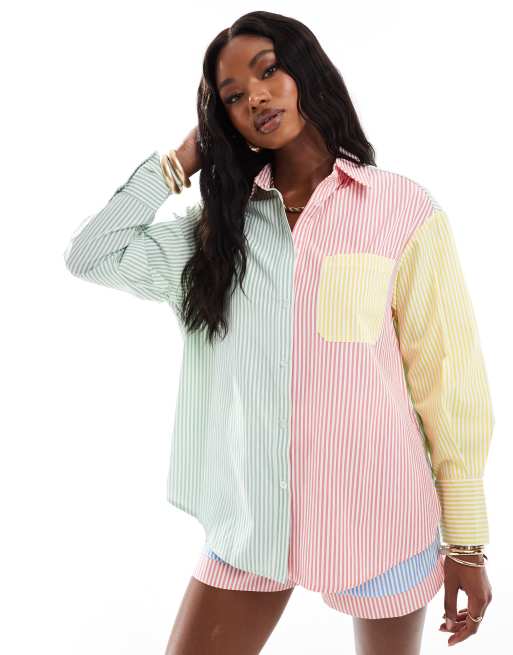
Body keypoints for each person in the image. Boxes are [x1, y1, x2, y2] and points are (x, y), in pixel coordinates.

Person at [63, 10, 494, 655]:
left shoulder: (402, 210)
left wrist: (466, 542)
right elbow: (91, 254)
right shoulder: (214, 234)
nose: (256, 98)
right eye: (233, 96)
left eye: (268, 72)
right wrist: (180, 161)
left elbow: (447, 381)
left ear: (306, 73)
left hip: (382, 519)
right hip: (250, 527)